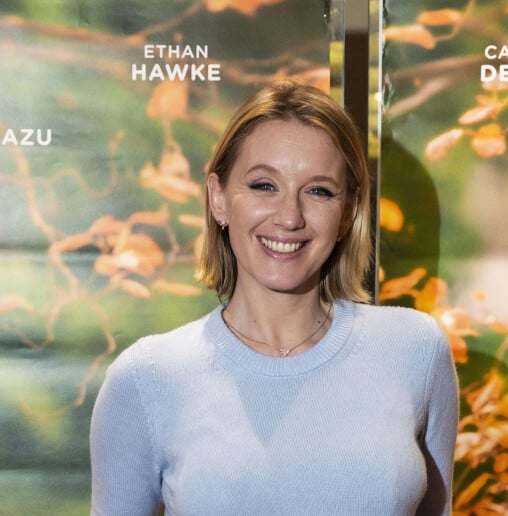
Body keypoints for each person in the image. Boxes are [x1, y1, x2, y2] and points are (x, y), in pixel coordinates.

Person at [90, 80, 459, 515]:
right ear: (219, 199)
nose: (289, 216)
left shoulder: (415, 349)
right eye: (265, 185)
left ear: (348, 213)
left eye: (318, 190)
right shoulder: (145, 379)